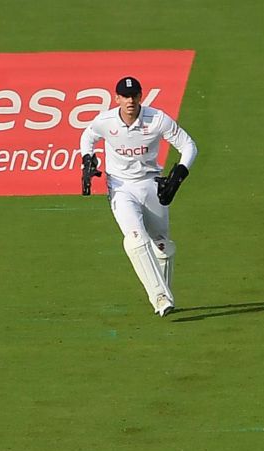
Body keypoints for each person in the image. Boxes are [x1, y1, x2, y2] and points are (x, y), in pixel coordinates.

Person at [79, 76, 198, 316]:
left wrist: (177, 177)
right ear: (117, 98)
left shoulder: (156, 119)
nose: (130, 101)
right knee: (135, 239)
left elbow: (188, 146)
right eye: (125, 96)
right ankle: (161, 298)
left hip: (150, 184)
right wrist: (87, 160)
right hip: (121, 187)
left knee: (164, 247)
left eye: (134, 96)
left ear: (140, 97)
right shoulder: (106, 121)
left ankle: (163, 296)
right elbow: (88, 135)